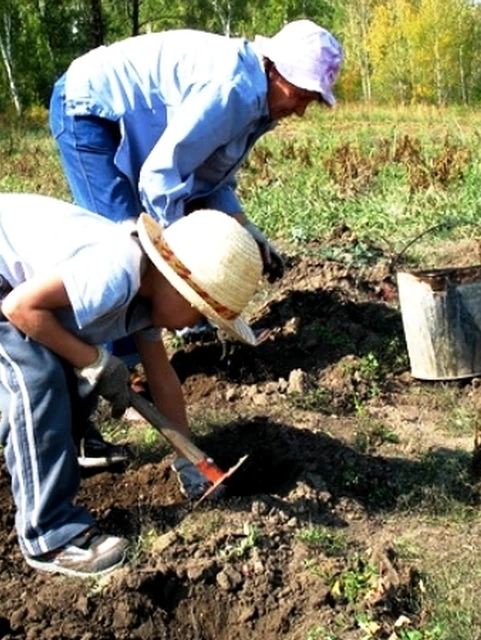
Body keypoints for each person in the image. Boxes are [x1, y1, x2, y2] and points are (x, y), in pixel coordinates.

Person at [0, 189, 263, 577]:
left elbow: (163, 379)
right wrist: (94, 361)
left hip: (11, 281)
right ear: (174, 281)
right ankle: (49, 536)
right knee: (35, 378)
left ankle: (70, 447)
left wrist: (188, 457)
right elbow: (19, 308)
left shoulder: (149, 300)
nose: (194, 324)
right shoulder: (114, 272)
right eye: (198, 310)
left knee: (70, 364)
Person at [49, 18, 342, 456]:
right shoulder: (233, 92)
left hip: (117, 119)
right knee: (122, 249)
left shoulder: (259, 99)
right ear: (275, 70)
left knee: (152, 262)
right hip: (88, 110)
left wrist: (246, 228)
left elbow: (210, 180)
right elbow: (161, 177)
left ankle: (154, 346)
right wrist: (179, 262)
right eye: (300, 95)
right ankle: (117, 379)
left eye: (311, 101)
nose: (300, 109)